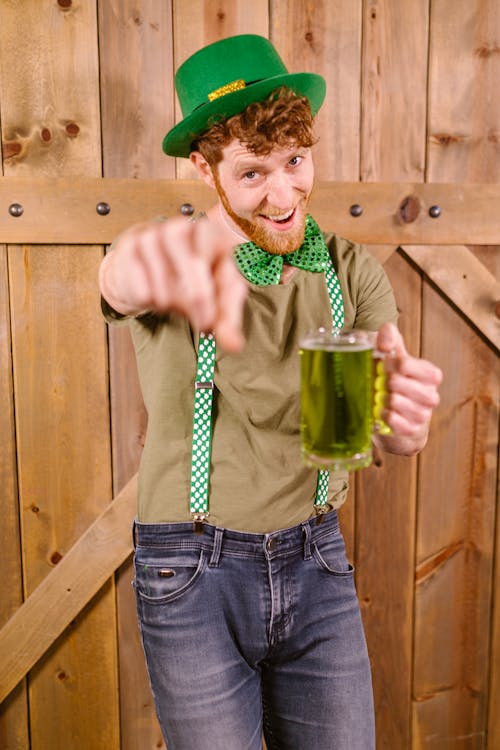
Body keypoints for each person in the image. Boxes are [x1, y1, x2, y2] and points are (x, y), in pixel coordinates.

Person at [99, 34, 442, 750]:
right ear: (205, 168)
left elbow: (392, 412)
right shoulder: (173, 257)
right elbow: (120, 276)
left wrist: (404, 427)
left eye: (296, 162)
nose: (285, 194)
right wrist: (143, 266)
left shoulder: (348, 268)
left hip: (316, 557)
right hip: (191, 568)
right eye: (253, 173)